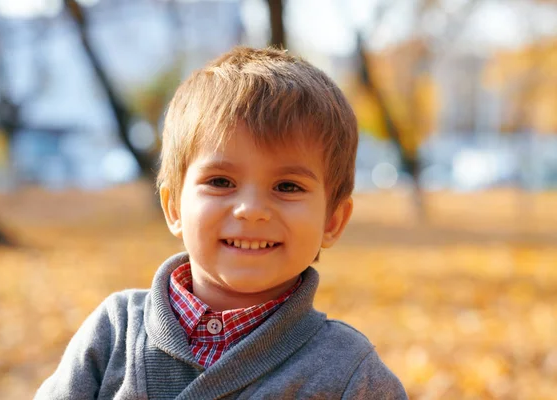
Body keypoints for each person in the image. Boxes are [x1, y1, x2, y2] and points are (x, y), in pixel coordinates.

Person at [35, 46, 407, 399]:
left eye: (287, 186)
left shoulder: (350, 374)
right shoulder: (115, 332)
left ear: (333, 220)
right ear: (174, 208)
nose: (250, 209)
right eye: (220, 182)